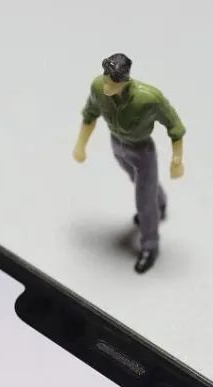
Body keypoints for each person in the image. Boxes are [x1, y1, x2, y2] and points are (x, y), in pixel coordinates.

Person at [73, 54, 186, 273]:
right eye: (106, 77)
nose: (106, 85)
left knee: (144, 200)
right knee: (141, 182)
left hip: (142, 152)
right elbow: (89, 115)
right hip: (117, 147)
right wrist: (80, 145)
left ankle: (150, 245)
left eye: (112, 82)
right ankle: (160, 203)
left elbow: (175, 127)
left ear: (124, 81)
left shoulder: (149, 99)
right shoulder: (98, 87)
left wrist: (177, 160)